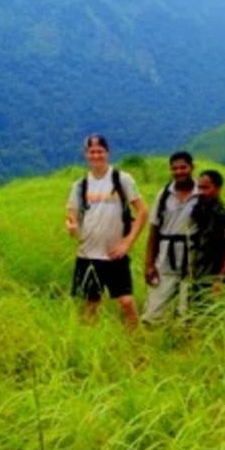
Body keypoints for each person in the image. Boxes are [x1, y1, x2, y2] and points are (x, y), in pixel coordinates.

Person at [65, 133, 148, 326]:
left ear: (107, 153)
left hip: (114, 254)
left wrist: (127, 242)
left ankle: (137, 344)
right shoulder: (79, 185)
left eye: (100, 151)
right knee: (90, 303)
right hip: (87, 254)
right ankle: (88, 343)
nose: (96, 156)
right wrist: (71, 226)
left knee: (126, 301)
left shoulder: (122, 179)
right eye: (92, 151)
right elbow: (71, 214)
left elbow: (143, 211)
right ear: (86, 154)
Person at [142, 151, 201, 323]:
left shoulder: (202, 193)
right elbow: (153, 231)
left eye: (183, 167)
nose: (179, 172)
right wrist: (149, 264)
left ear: (192, 167)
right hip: (166, 258)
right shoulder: (164, 195)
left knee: (188, 315)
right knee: (152, 314)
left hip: (192, 259)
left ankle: (185, 344)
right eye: (175, 168)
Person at [190, 168, 225, 298]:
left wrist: (220, 279)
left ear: (218, 188)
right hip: (198, 272)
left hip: (214, 274)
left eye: (206, 188)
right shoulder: (198, 209)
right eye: (199, 188)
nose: (201, 192)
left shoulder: (224, 214)